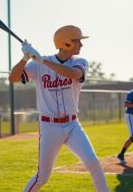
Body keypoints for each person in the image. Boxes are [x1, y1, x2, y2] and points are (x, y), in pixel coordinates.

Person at [9, 25, 109, 192]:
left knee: (92, 162)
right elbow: (13, 78)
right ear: (66, 43)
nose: (81, 45)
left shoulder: (79, 62)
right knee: (43, 176)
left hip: (72, 125)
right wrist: (25, 58)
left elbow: (73, 74)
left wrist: (41, 60)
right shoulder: (38, 65)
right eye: (77, 41)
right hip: (49, 127)